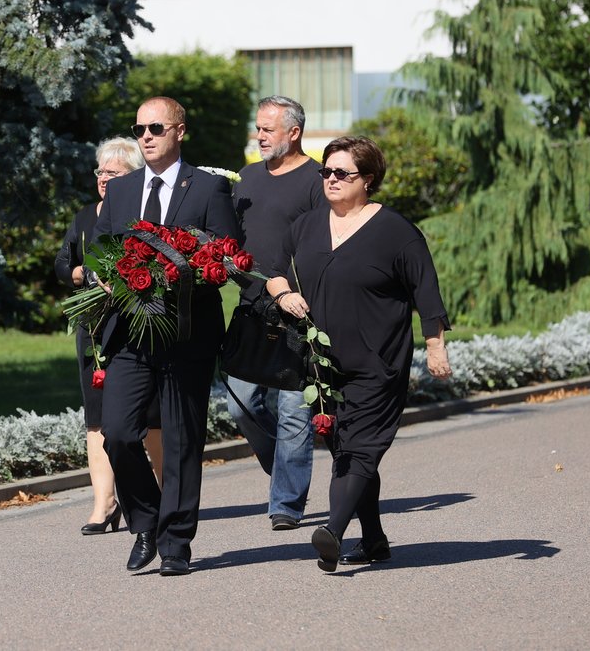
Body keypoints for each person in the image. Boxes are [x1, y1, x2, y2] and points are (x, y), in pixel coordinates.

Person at [265, 136, 453, 573]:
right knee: (345, 449)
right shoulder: (308, 225)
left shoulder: (395, 232)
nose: (330, 179)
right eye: (326, 172)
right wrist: (284, 294)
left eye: (341, 173)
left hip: (378, 363)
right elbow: (272, 267)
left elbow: (426, 291)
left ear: (367, 180)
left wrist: (435, 345)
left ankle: (332, 530)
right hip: (323, 365)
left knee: (361, 449)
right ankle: (374, 539)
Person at [93, 96, 240, 576]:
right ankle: (145, 519)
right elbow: (101, 251)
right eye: (139, 129)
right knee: (116, 431)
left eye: (156, 127)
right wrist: (104, 274)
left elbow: (226, 255)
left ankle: (176, 542)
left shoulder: (209, 188)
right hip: (130, 332)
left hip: (186, 332)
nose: (147, 136)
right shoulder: (121, 191)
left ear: (180, 130)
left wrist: (186, 269)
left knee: (180, 440)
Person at [225, 96, 325, 531]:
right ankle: (284, 466)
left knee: (292, 410)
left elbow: (326, 243)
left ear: (294, 132)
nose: (259, 136)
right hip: (251, 306)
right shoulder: (246, 177)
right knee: (241, 403)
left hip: (298, 310)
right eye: (258, 128)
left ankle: (285, 503)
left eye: (268, 129)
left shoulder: (317, 180)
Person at [55, 137, 164, 535]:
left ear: (133, 177)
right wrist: (79, 274)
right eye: (100, 171)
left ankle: (164, 497)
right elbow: (63, 262)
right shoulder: (85, 217)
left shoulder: (144, 215)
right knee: (98, 418)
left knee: (150, 418)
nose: (103, 178)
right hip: (95, 327)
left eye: (113, 172)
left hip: (139, 324)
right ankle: (104, 504)